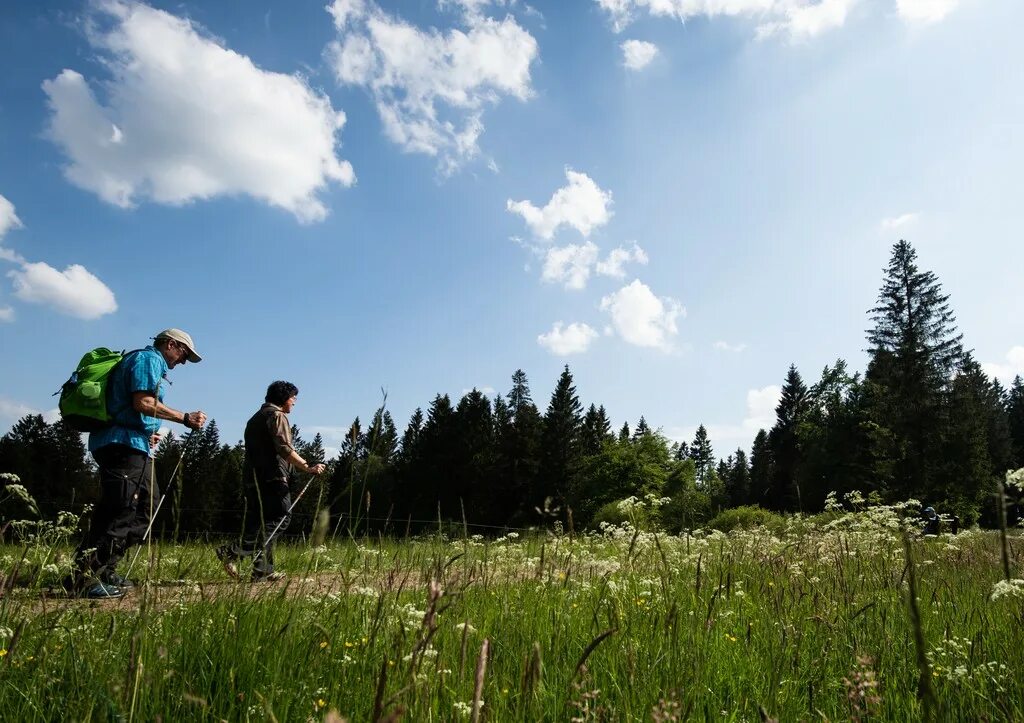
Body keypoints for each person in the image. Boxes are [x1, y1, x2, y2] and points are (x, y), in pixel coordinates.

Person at [67, 329, 207, 599]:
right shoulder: (148, 359)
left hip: (133, 443)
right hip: (122, 444)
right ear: (170, 345)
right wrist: (185, 418)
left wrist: (147, 431)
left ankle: (106, 569)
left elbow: (133, 407)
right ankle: (84, 578)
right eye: (184, 354)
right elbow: (142, 402)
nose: (183, 362)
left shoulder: (146, 362)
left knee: (146, 508)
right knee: (121, 509)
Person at [216, 381, 325, 582]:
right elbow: (284, 448)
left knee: (260, 523)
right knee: (281, 518)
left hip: (252, 478)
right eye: (293, 398)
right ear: (284, 398)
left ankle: (262, 570)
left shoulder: (254, 419)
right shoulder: (277, 416)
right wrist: (307, 466)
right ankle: (233, 552)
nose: (294, 402)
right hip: (272, 477)